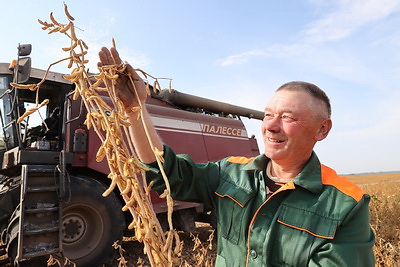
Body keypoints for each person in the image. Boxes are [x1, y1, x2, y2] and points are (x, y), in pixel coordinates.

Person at [98, 47, 375, 266]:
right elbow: (166, 174)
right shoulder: (230, 173)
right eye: (268, 115)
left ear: (322, 129)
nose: (271, 125)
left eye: (287, 117)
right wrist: (134, 109)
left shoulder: (344, 205)